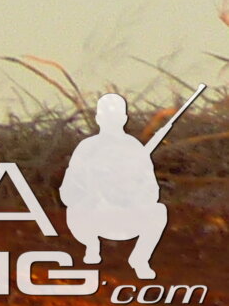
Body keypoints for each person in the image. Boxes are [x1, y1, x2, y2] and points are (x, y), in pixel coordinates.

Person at [62, 92, 168, 280]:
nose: (111, 121)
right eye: (107, 116)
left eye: (115, 116)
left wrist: (130, 192)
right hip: (94, 217)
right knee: (74, 210)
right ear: (98, 119)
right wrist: (91, 189)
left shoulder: (134, 148)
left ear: (124, 119)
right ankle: (92, 246)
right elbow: (67, 192)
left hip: (126, 217)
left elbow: (152, 190)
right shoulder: (87, 148)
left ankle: (140, 259)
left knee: (159, 212)